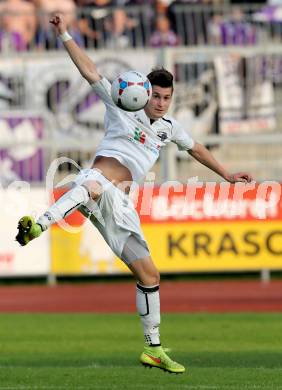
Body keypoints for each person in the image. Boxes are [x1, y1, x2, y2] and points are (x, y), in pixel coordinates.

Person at [15, 13, 253, 374]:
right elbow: (90, 71)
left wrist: (226, 174)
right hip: (98, 185)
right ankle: (40, 225)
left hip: (121, 206)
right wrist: (64, 33)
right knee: (93, 182)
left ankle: (153, 349)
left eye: (166, 97)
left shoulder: (169, 127)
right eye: (155, 96)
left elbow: (196, 149)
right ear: (143, 93)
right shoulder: (121, 105)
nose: (159, 102)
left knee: (149, 275)